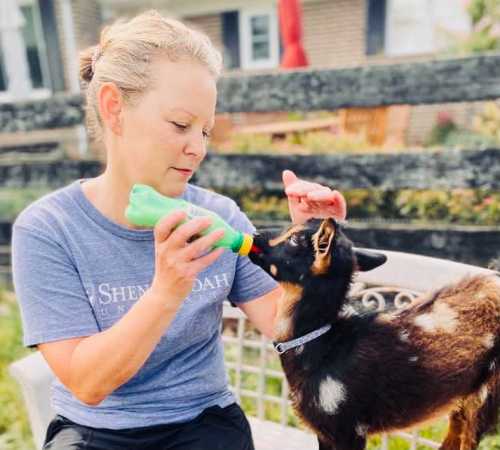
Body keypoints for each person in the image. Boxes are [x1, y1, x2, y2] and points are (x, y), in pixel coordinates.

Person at [11, 10, 346, 450]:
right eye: (180, 125)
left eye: (205, 130)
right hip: (94, 431)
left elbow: (288, 326)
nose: (198, 148)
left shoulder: (218, 216)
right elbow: (87, 383)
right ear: (114, 108)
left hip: (203, 423)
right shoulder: (49, 229)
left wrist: (312, 249)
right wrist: (166, 291)